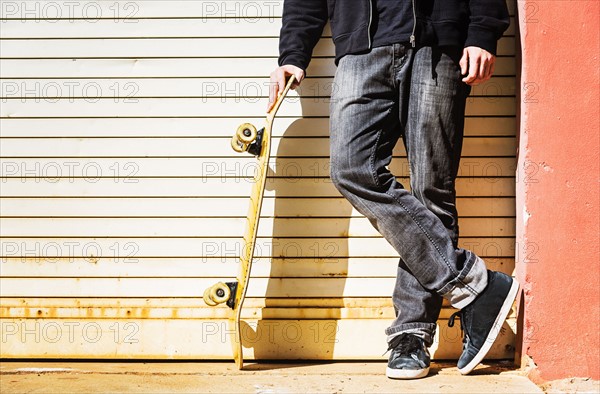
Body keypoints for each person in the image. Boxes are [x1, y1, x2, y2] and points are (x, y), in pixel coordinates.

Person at [268, 0, 519, 380]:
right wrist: (293, 52)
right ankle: (473, 283)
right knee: (352, 169)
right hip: (361, 49)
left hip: (439, 46)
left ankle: (411, 335)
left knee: (432, 191)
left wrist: (483, 32)